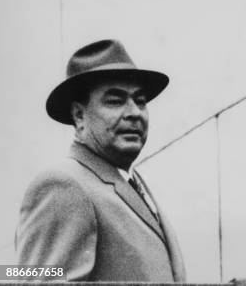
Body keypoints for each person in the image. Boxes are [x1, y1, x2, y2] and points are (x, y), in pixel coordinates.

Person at [16, 39, 186, 282]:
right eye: (115, 101)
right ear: (79, 115)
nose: (134, 113)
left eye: (140, 101)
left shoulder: (132, 186)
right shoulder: (63, 185)